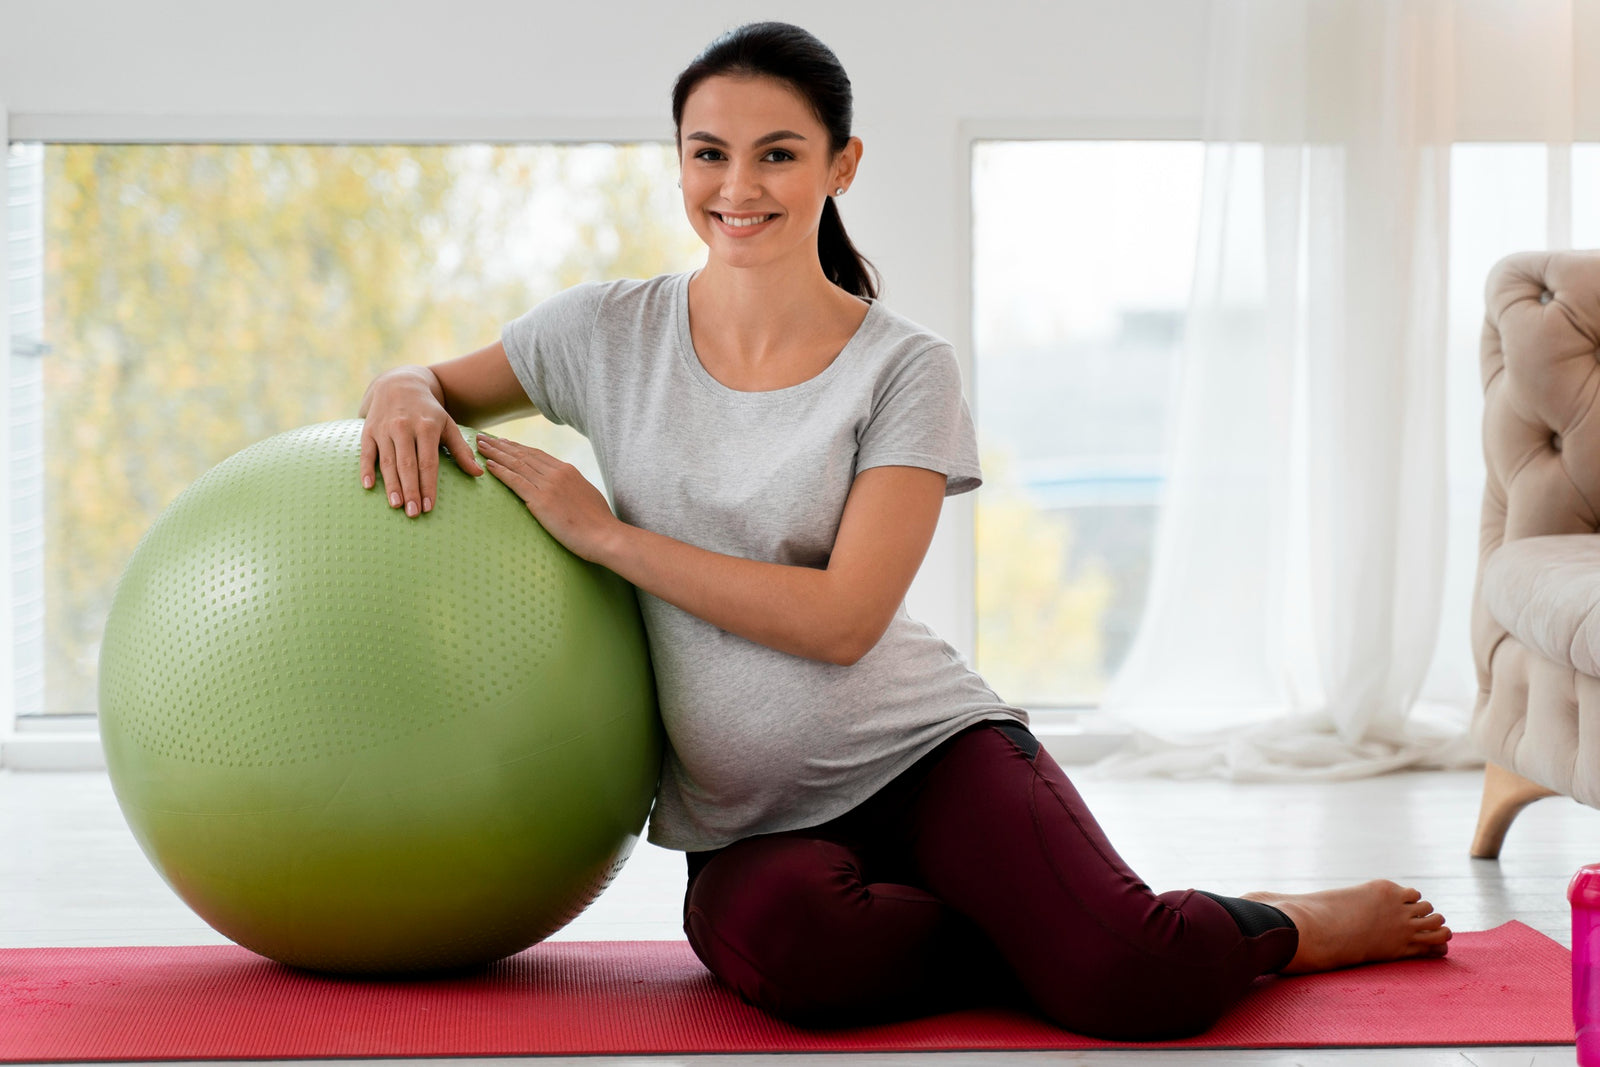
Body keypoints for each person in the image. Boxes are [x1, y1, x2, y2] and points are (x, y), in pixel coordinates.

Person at [357, 20, 1451, 1040]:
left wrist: (612, 540)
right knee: (801, 966)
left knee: (1131, 982)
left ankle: (1282, 921)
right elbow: (424, 378)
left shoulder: (903, 367)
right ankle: (1054, 929)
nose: (736, 187)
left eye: (778, 154)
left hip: (924, 752)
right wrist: (401, 391)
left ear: (841, 165)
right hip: (750, 817)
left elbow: (843, 618)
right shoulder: (604, 331)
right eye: (708, 153)